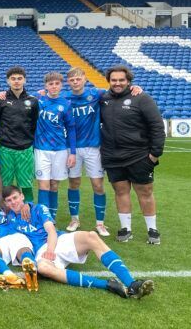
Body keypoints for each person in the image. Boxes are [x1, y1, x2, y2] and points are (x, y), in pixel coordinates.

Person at [4, 185, 154, 299]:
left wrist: (50, 250)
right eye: (9, 201)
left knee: (91, 236)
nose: (13, 202)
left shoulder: (38, 209)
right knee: (44, 269)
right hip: (40, 252)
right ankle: (108, 285)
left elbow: (51, 231)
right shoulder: (8, 219)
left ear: (22, 196)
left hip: (57, 241)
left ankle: (132, 284)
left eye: (15, 198)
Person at [62, 68, 143, 236]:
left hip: (94, 148)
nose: (75, 82)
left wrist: (135, 88)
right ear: (68, 82)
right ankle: (74, 219)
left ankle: (100, 223)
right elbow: (42, 96)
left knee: (98, 185)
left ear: (85, 79)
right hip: (72, 149)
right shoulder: (63, 98)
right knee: (74, 183)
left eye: (78, 79)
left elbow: (119, 92)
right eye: (72, 80)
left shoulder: (98, 94)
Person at [100, 65, 165, 245]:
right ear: (109, 81)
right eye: (114, 80)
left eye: (121, 80)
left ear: (128, 81)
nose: (118, 83)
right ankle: (126, 229)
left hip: (139, 156)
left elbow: (157, 126)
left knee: (145, 192)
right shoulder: (103, 99)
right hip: (112, 157)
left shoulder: (141, 98)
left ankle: (152, 229)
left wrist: (155, 153)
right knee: (120, 191)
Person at [0, 66, 39, 203]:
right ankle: (5, 211)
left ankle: (28, 210)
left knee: (26, 183)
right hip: (6, 149)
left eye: (19, 79)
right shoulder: (1, 100)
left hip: (26, 149)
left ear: (25, 80)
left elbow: (34, 123)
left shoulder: (32, 101)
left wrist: (29, 139)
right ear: (8, 81)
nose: (16, 81)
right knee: (6, 183)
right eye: (13, 79)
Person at [33, 72, 76, 221]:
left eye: (57, 83)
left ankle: (52, 218)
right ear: (45, 86)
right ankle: (43, 220)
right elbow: (21, 97)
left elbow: (71, 128)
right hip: (41, 149)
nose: (54, 86)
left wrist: (72, 152)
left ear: (61, 85)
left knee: (54, 186)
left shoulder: (66, 104)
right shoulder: (38, 100)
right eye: (51, 84)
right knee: (43, 185)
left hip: (60, 149)